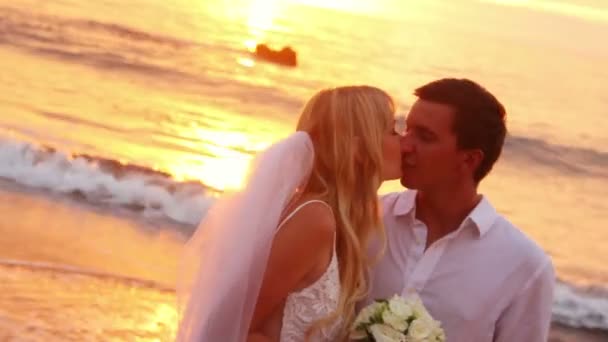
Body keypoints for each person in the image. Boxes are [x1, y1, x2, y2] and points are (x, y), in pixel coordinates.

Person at [177, 85, 402, 341]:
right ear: (359, 151)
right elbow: (225, 328)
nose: (404, 141)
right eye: (393, 131)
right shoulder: (315, 220)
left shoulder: (338, 222)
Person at [366, 78, 555, 341]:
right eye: (406, 130)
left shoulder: (525, 266)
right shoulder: (368, 219)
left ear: (468, 159)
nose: (405, 145)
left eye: (425, 136)